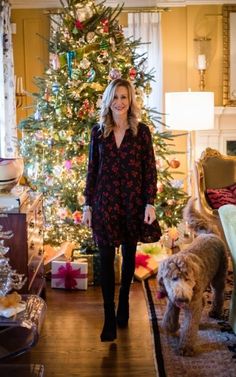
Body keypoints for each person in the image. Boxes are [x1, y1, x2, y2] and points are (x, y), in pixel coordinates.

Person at [82, 78, 157, 342]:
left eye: (124, 97)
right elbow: (92, 171)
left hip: (132, 203)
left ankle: (123, 300)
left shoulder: (142, 132)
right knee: (105, 258)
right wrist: (87, 205)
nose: (120, 102)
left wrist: (150, 202)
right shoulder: (98, 132)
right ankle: (108, 317)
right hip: (104, 202)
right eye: (115, 97)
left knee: (128, 253)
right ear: (108, 100)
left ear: (130, 100)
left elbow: (150, 171)